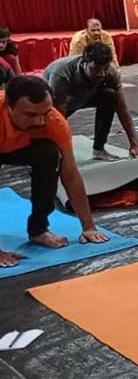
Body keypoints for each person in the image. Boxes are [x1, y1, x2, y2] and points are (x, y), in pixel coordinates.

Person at [0, 76, 110, 267]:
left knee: (49, 154)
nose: (40, 121)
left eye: (44, 112)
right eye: (30, 115)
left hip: (18, 147)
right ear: (9, 106)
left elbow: (71, 175)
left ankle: (39, 229)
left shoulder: (54, 122)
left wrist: (89, 227)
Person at [43, 44, 138, 161]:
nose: (101, 74)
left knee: (109, 95)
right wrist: (64, 152)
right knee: (49, 140)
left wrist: (135, 144)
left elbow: (122, 108)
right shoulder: (61, 73)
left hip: (84, 96)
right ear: (83, 63)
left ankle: (99, 149)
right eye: (95, 69)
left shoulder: (111, 72)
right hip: (54, 106)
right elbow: (58, 115)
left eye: (105, 68)